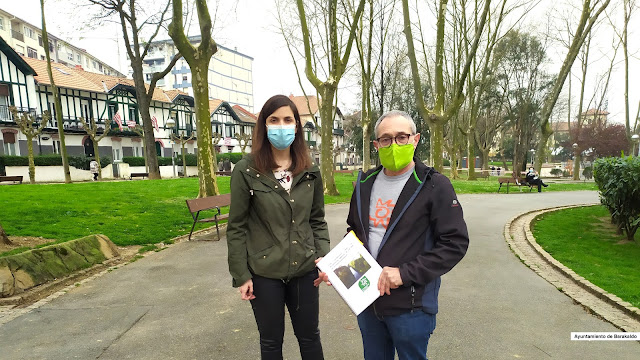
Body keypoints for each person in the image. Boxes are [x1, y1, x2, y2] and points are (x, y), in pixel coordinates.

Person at [331, 110, 469, 360]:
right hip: (368, 300)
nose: (394, 144)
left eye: (401, 137)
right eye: (386, 139)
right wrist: (335, 265)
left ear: (415, 140)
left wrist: (404, 274)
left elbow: (454, 244)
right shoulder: (364, 183)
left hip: (411, 306)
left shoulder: (434, 185)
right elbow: (356, 233)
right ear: (376, 145)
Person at [227, 94, 330, 360]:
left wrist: (324, 258)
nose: (281, 125)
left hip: (305, 269)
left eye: (287, 119)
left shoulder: (310, 170)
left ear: (297, 126)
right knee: (271, 342)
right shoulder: (246, 171)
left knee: (310, 338)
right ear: (264, 125)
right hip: (264, 273)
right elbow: (236, 227)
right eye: (274, 120)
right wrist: (241, 274)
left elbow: (317, 220)